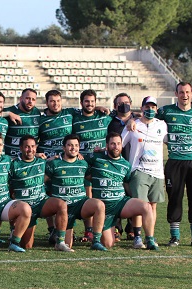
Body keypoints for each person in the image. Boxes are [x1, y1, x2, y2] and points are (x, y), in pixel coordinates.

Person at [156, 82, 192, 247]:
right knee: (175, 198)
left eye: (187, 92)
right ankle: (175, 237)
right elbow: (148, 117)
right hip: (175, 162)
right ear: (176, 93)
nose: (184, 95)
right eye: (181, 92)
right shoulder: (166, 111)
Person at [85, 132, 158, 250]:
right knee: (108, 244)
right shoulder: (96, 157)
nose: (116, 146)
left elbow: (127, 183)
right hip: (104, 207)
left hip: (120, 203)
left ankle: (150, 240)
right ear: (107, 145)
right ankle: (101, 233)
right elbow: (79, 161)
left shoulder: (125, 164)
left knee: (146, 207)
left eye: (118, 144)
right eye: (113, 144)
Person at [8, 135, 73, 251]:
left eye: (33, 146)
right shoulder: (14, 165)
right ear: (21, 148)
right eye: (27, 147)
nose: (30, 149)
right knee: (27, 246)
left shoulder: (43, 162)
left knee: (61, 205)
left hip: (41, 203)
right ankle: (15, 230)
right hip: (25, 207)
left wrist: (78, 155)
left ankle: (60, 242)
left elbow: (64, 158)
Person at [44, 134, 107, 250]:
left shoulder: (83, 163)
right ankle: (57, 234)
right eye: (70, 145)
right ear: (63, 148)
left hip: (80, 203)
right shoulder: (54, 164)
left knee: (99, 205)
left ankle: (96, 241)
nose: (73, 148)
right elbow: (41, 180)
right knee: (68, 244)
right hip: (63, 207)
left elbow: (92, 178)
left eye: (76, 145)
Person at [121, 96, 167, 238]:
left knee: (153, 206)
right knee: (140, 205)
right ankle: (138, 237)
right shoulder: (133, 125)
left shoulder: (162, 125)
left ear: (156, 109)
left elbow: (170, 142)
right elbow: (119, 144)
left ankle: (150, 237)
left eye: (153, 107)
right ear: (141, 108)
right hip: (139, 170)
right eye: (147, 107)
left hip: (157, 173)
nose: (150, 110)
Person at [72, 89, 112, 243]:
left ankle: (110, 228)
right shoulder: (75, 119)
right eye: (86, 101)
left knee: (105, 194)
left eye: (92, 101)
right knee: (87, 197)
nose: (89, 104)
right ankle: (89, 230)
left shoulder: (104, 117)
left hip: (101, 164)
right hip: (83, 165)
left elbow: (123, 117)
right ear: (81, 102)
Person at [108, 92, 138, 241]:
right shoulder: (110, 122)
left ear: (131, 104)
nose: (123, 105)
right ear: (115, 106)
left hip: (133, 166)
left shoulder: (138, 120)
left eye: (126, 102)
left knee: (132, 196)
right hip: (115, 166)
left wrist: (134, 117)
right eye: (120, 103)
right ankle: (117, 229)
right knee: (116, 196)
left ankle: (131, 229)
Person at [4, 88, 41, 159]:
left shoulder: (36, 112)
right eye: (27, 98)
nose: (30, 101)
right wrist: (8, 114)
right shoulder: (10, 111)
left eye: (33, 99)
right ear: (21, 99)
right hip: (12, 158)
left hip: (30, 158)